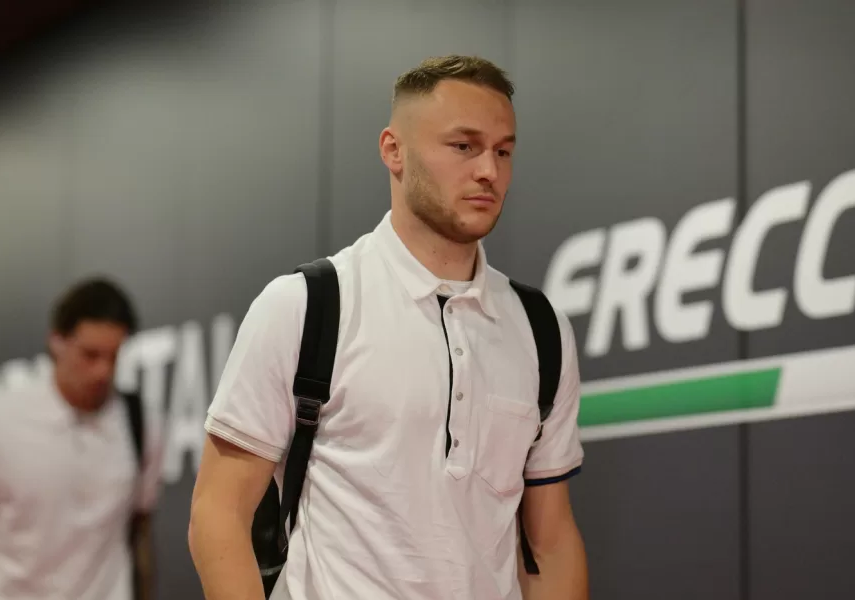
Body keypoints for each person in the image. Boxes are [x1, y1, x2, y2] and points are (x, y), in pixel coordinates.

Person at [189, 55, 589, 600]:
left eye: (503, 151)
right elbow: (218, 513)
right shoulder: (306, 306)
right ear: (393, 150)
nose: (489, 171)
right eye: (464, 146)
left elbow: (550, 542)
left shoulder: (541, 328)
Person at [0, 278, 164, 600]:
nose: (102, 372)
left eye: (114, 356)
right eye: (90, 355)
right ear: (57, 341)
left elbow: (141, 532)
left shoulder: (143, 422)